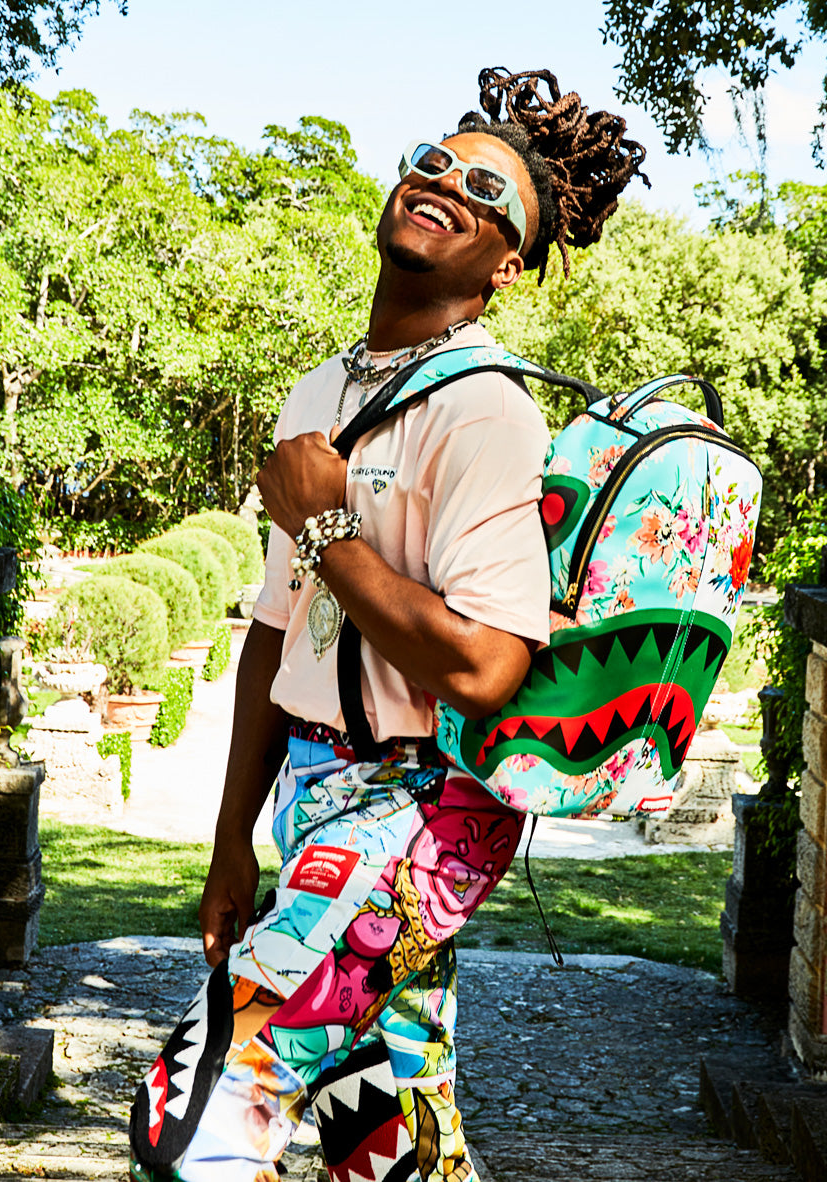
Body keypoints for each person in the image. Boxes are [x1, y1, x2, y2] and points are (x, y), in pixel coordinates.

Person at [129, 67, 647, 1182]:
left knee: (200, 1113)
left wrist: (325, 526)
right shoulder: (318, 392)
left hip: (424, 805)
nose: (447, 184)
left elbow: (487, 665)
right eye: (434, 161)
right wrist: (230, 842)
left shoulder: (487, 409)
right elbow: (276, 633)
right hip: (313, 798)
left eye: (486, 192)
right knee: (388, 1135)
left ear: (506, 266)